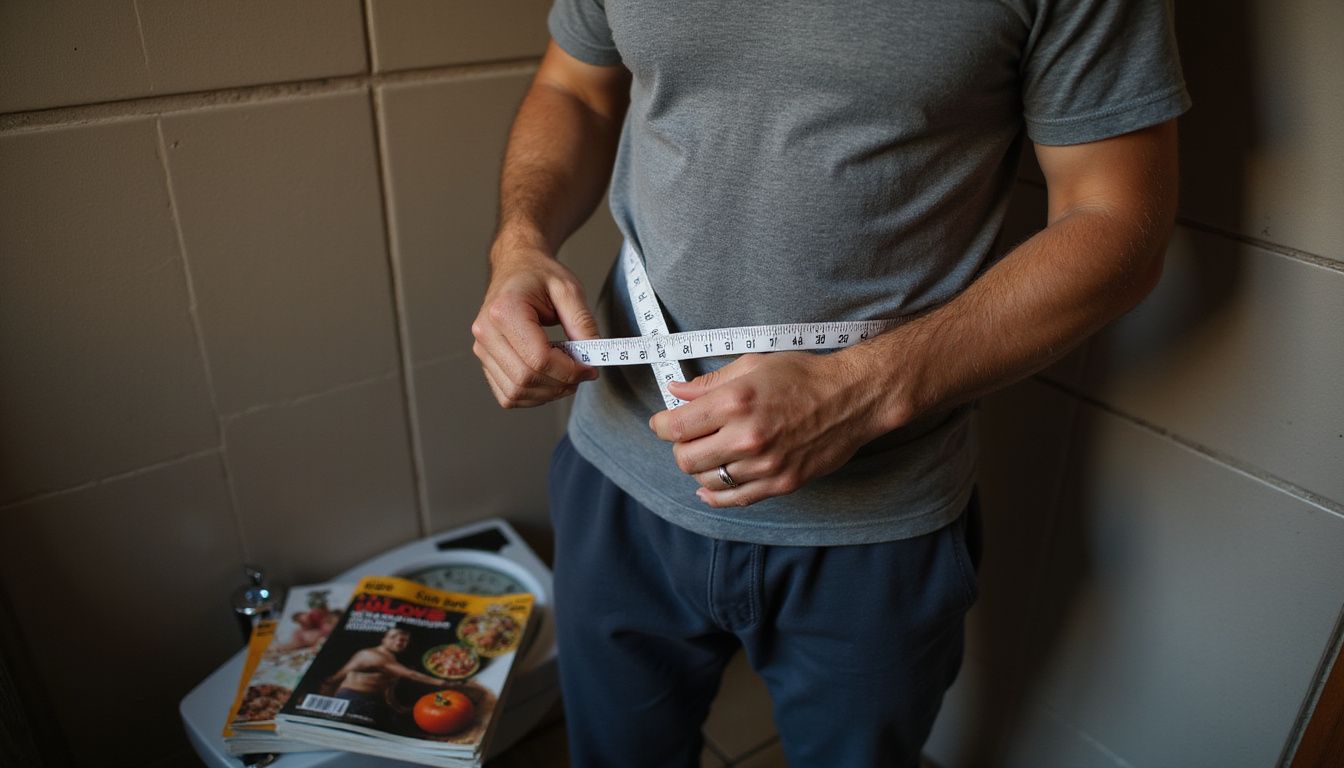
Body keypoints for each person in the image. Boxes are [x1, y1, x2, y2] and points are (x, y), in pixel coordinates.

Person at [472, 2, 1188, 765]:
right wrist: (520, 241)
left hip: (875, 514)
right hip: (617, 472)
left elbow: (1116, 219)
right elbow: (575, 88)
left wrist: (863, 389)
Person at [319, 626, 444, 726]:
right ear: (383, 639)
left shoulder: (392, 660)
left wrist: (397, 708)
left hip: (372, 703)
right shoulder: (371, 655)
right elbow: (411, 675)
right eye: (394, 637)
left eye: (404, 639)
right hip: (354, 700)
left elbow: (386, 689)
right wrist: (446, 683)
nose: (399, 641)